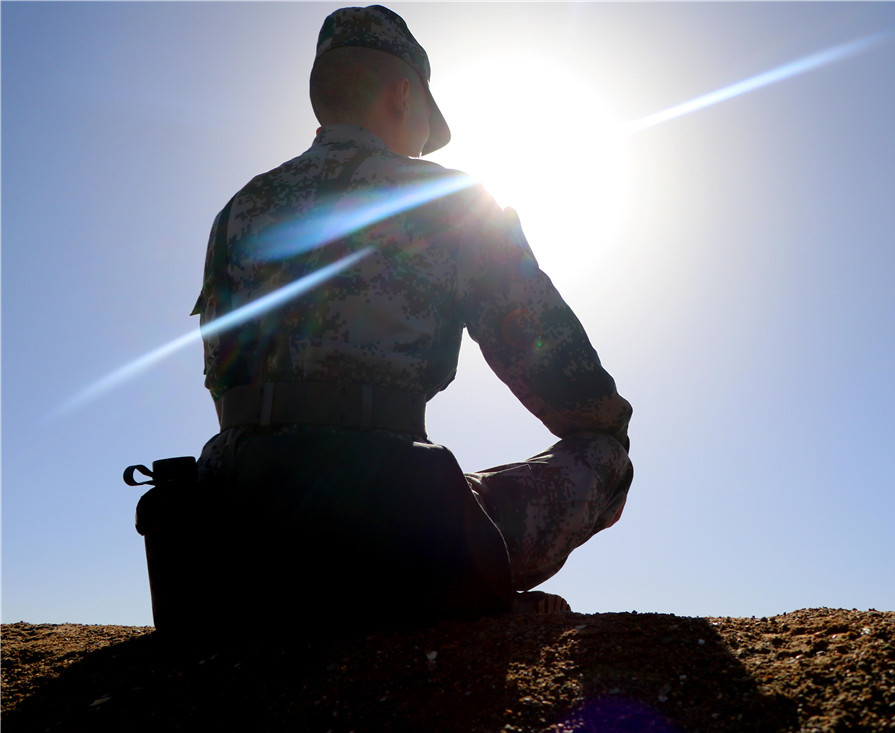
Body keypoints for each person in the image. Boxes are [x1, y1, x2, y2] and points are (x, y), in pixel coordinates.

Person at [191, 5, 632, 629]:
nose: (425, 145)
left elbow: (221, 374)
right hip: (391, 536)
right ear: (401, 95)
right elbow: (557, 369)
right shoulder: (449, 200)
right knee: (602, 453)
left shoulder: (238, 211)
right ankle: (477, 606)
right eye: (427, 122)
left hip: (233, 533)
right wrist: (612, 429)